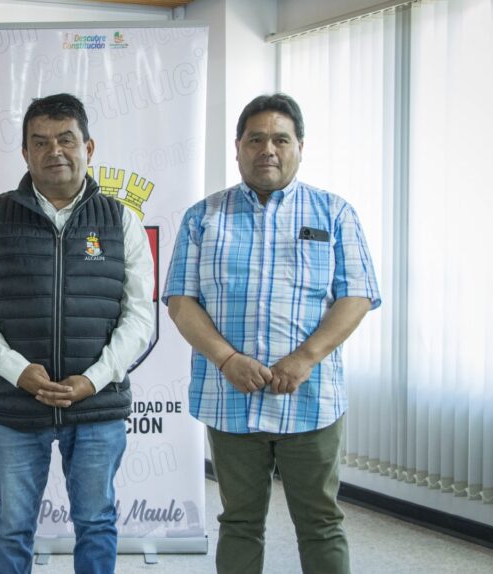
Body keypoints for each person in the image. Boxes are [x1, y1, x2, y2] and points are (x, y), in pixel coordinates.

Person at [163, 93, 382, 574]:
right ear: (237, 147)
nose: (268, 149)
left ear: (300, 146)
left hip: (310, 398)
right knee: (239, 522)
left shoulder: (334, 213)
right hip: (230, 397)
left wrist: (304, 358)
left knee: (321, 522)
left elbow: (358, 296)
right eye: (255, 139)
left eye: (281, 139)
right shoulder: (203, 217)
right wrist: (227, 359)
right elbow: (180, 301)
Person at [0, 93, 155, 574]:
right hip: (14, 403)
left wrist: (94, 379)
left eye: (66, 139)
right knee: (12, 527)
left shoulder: (120, 221)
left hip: (96, 405)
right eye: (40, 142)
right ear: (25, 153)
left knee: (97, 521)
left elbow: (140, 317)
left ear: (89, 147)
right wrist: (17, 370)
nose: (54, 151)